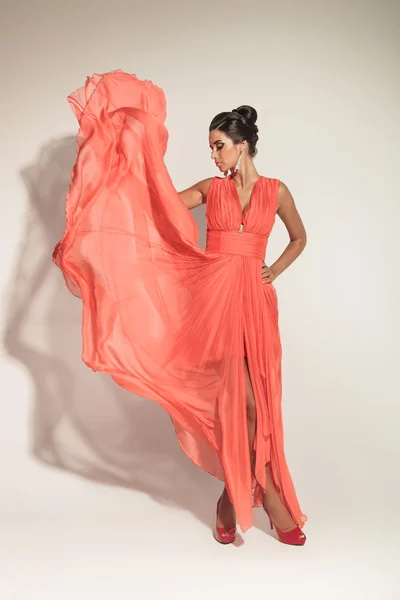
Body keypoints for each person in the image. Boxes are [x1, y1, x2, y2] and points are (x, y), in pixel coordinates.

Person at [53, 70, 308, 546]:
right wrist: (128, 160)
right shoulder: (211, 190)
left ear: (241, 144)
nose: (213, 154)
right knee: (238, 403)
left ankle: (231, 499)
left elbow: (300, 238)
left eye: (218, 145)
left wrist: (273, 268)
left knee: (260, 403)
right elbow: (159, 207)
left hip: (256, 302)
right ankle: (265, 497)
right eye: (211, 146)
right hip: (214, 301)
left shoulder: (277, 191)